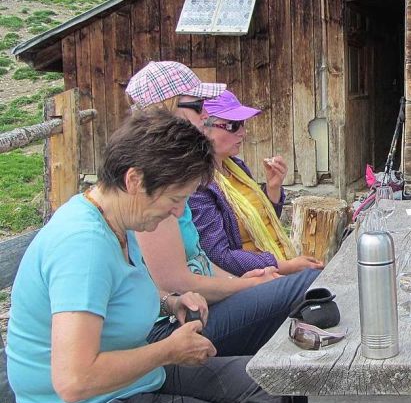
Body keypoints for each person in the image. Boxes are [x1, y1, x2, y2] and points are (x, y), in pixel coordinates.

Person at [7, 110, 302, 403]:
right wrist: (168, 350)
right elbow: (74, 381)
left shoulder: (116, 221)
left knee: (266, 382)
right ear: (134, 180)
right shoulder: (83, 247)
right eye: (175, 198)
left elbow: (114, 298)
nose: (178, 211)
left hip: (132, 381)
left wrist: (170, 303)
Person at [125, 61, 321, 356]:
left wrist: (244, 281)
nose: (205, 115)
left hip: (207, 300)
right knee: (309, 283)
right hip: (178, 322)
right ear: (165, 109)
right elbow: (178, 280)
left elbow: (203, 257)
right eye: (198, 106)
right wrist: (254, 282)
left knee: (304, 294)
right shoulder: (155, 181)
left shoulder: (228, 168)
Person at [189, 90, 324, 276]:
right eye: (233, 125)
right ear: (203, 127)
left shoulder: (236, 168)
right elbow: (219, 256)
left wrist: (273, 188)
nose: (243, 133)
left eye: (243, 124)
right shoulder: (198, 185)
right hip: (252, 278)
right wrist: (286, 266)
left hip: (278, 264)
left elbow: (262, 223)